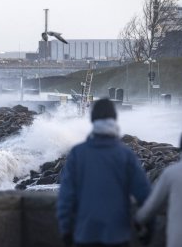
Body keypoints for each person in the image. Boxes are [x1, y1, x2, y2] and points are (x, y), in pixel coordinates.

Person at [57, 98, 151, 247]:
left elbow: (66, 197)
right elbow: (145, 196)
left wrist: (66, 230)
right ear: (114, 119)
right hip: (117, 235)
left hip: (85, 235)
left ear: (92, 119)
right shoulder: (125, 155)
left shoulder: (78, 154)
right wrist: (148, 229)